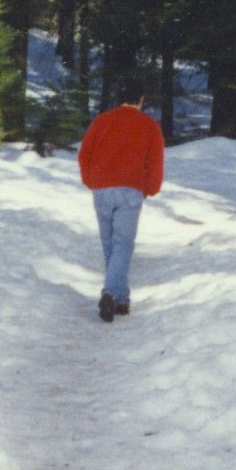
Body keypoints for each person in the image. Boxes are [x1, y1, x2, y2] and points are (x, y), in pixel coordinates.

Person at [77, 89, 165, 322]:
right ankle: (110, 292)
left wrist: (91, 180)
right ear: (141, 98)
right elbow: (155, 163)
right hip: (130, 191)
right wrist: (150, 188)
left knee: (110, 245)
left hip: (102, 189)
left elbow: (84, 154)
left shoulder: (102, 121)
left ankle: (121, 299)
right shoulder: (149, 126)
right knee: (123, 246)